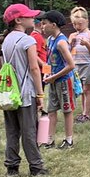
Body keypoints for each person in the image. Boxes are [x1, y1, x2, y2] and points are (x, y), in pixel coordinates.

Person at [0, 3, 49, 176]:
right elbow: (34, 69)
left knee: (12, 131)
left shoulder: (5, 41)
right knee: (29, 132)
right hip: (26, 93)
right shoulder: (28, 40)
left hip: (10, 93)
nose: (33, 18)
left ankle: (12, 167)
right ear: (19, 20)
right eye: (29, 16)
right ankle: (36, 167)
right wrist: (40, 94)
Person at [38, 11, 75, 149]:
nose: (42, 26)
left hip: (63, 81)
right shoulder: (50, 40)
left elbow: (71, 65)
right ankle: (49, 140)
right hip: (53, 81)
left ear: (53, 25)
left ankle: (69, 140)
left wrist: (54, 77)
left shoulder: (61, 42)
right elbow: (48, 61)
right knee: (51, 110)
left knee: (67, 110)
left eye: (44, 23)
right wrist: (46, 74)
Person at [69, 7, 90, 123]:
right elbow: (68, 51)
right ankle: (83, 111)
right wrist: (71, 43)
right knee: (80, 89)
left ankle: (87, 113)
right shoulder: (72, 35)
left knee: (87, 89)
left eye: (80, 24)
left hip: (87, 64)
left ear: (87, 21)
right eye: (75, 24)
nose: (78, 26)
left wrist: (87, 44)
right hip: (76, 64)